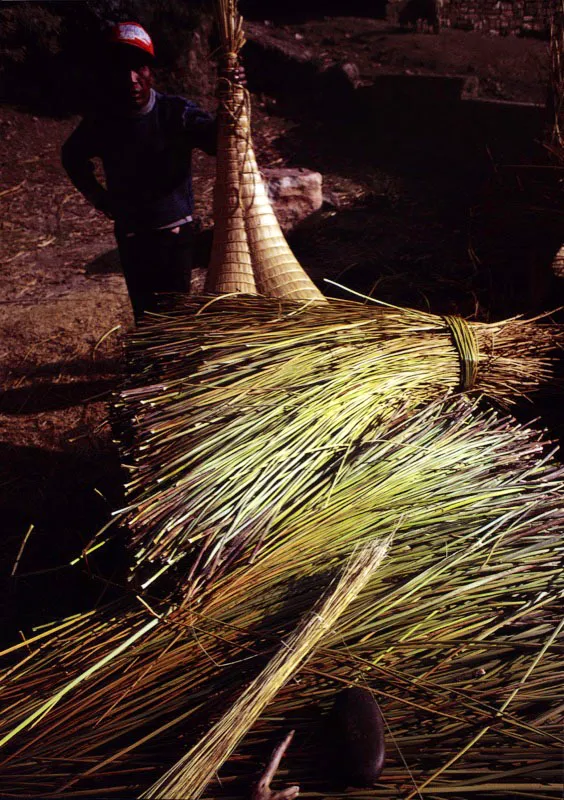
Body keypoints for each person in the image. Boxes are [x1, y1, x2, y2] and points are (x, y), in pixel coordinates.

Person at [62, 21, 230, 321]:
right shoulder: (103, 121)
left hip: (175, 232)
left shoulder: (175, 113)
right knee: (145, 316)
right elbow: (72, 156)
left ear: (150, 71)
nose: (131, 79)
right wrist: (100, 199)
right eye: (120, 69)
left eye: (139, 68)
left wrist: (231, 98)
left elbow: (218, 141)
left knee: (177, 315)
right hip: (132, 235)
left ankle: (177, 365)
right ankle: (151, 367)